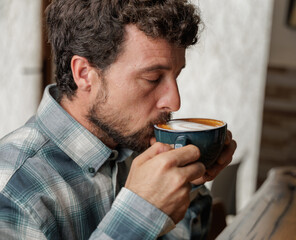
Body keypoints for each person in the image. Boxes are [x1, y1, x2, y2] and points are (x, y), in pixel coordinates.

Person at [0, 0, 237, 239]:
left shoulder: (136, 144)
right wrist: (139, 217)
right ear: (84, 74)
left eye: (176, 75)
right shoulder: (13, 192)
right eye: (153, 78)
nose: (175, 102)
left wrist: (188, 179)